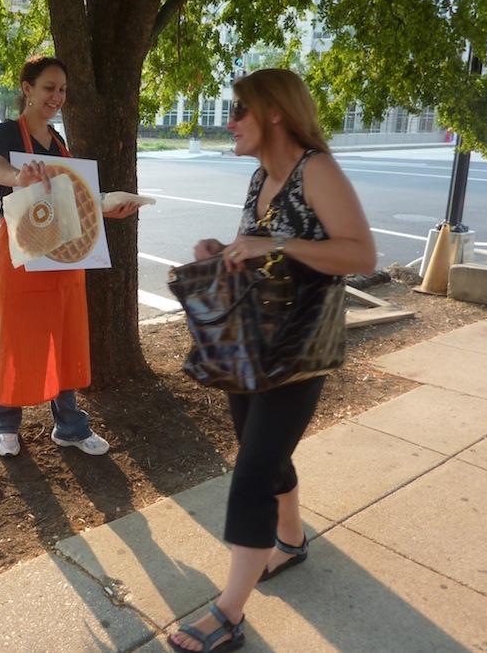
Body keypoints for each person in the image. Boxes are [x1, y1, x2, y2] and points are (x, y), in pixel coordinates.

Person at [169, 69, 376, 652]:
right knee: (262, 452)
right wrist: (225, 250)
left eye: (239, 112)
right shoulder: (262, 175)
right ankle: (290, 540)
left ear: (275, 113)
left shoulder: (318, 170)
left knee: (254, 470)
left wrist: (276, 243)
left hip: (300, 353)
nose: (229, 123)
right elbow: (259, 254)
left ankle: (228, 614)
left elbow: (360, 254)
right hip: (251, 346)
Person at [0, 56, 138, 458]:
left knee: (62, 335)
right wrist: (19, 178)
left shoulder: (60, 143)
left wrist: (106, 207)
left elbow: (72, 197)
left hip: (62, 251)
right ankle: (6, 422)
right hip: (19, 250)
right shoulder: (5, 133)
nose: (57, 97)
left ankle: (69, 425)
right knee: (13, 335)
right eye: (49, 88)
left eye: (62, 89)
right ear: (27, 89)